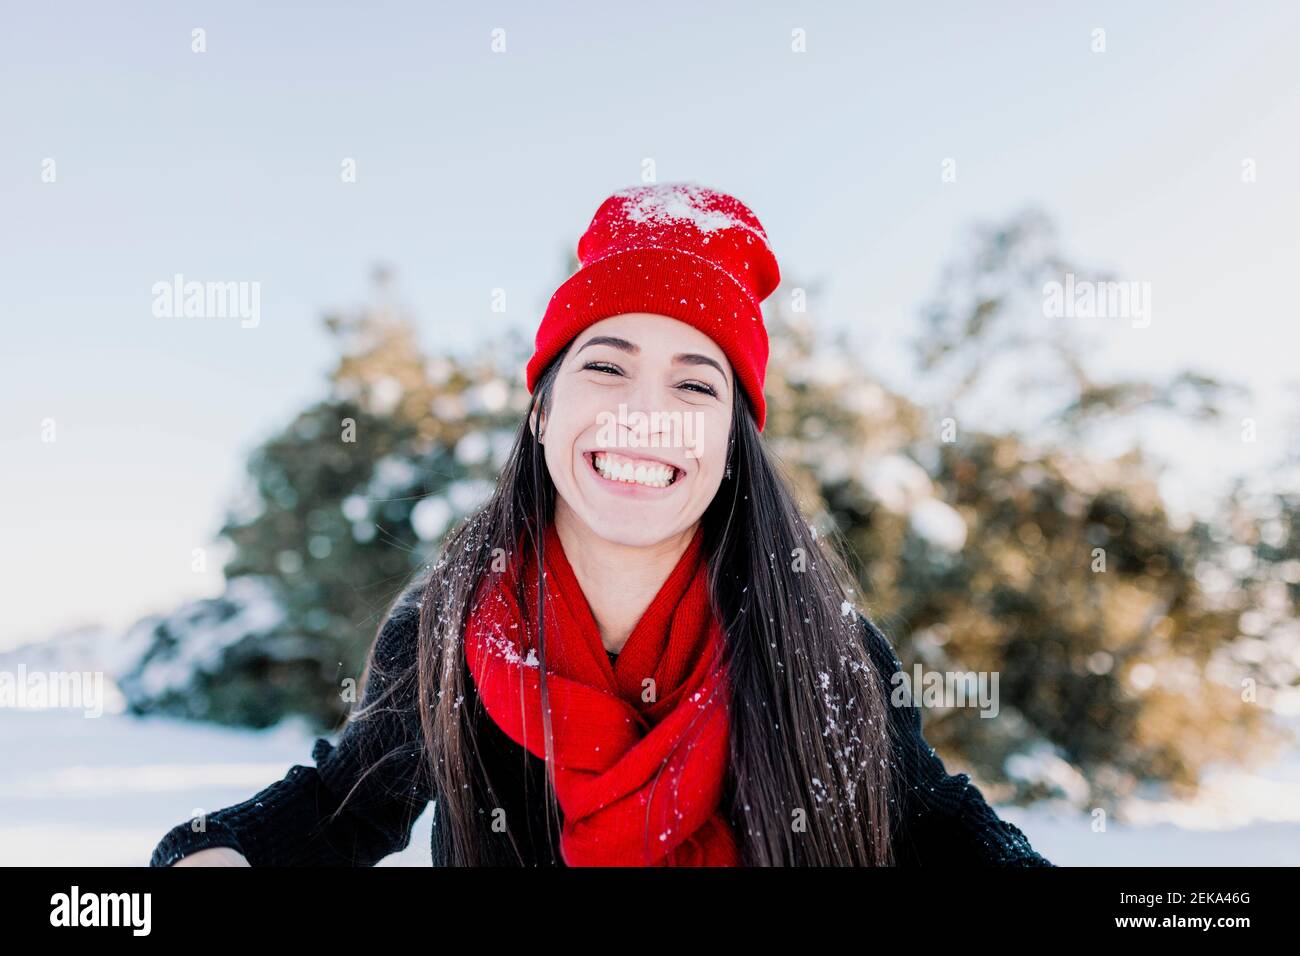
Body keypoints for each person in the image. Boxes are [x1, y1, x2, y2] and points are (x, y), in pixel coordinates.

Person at [151, 182, 1053, 867]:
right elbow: (343, 802)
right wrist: (211, 854)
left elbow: (937, 827)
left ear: (733, 447)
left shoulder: (820, 645)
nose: (643, 414)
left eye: (696, 383)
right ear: (541, 411)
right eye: (606, 367)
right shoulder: (446, 630)